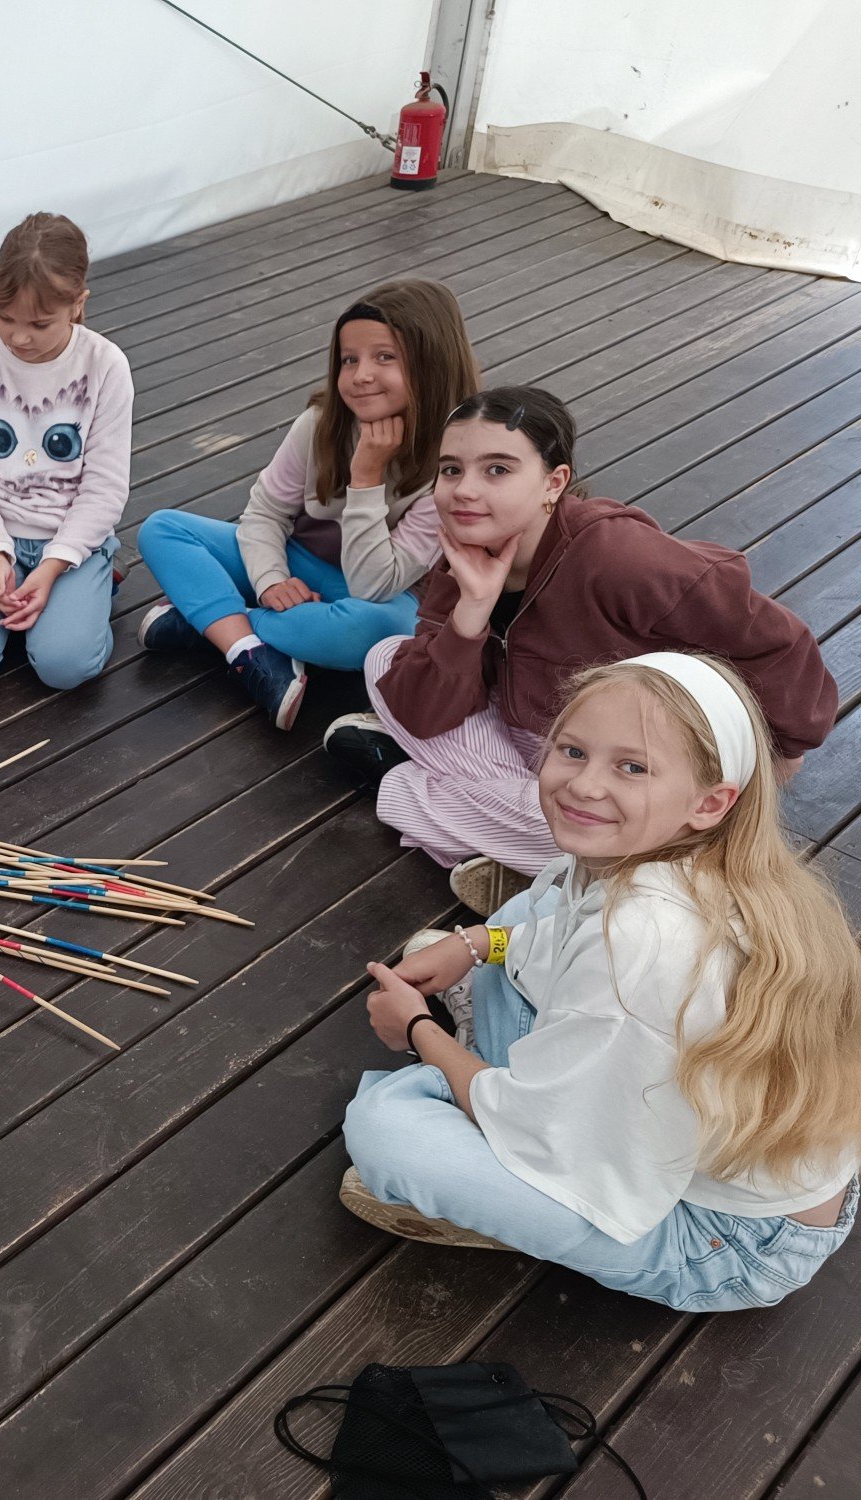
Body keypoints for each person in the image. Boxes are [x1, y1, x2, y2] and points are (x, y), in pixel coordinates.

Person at [340, 654, 860, 1310]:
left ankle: (493, 1174)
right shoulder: (699, 858)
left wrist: (417, 1029)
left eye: (632, 767)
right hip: (704, 1133)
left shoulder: (643, 945)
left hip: (725, 1241)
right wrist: (475, 944)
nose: (583, 785)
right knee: (539, 903)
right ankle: (494, 1038)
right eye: (573, 751)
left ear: (709, 802)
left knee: (387, 1132)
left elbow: (544, 1131)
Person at [325, 386, 835, 915]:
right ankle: (568, 859)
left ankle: (410, 791)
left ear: (554, 482)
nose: (464, 490)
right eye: (451, 470)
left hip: (634, 757)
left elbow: (780, 642)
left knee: (588, 810)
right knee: (386, 658)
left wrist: (778, 754)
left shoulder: (619, 558)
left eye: (497, 469)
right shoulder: (461, 557)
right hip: (545, 734)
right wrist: (472, 608)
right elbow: (422, 710)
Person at [137, 279, 479, 727]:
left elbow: (373, 587)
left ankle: (214, 622)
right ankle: (249, 649)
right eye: (349, 359)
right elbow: (265, 514)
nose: (361, 375)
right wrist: (272, 581)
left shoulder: (453, 464)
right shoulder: (320, 425)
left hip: (376, 594)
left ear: (432, 363)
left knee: (386, 632)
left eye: (385, 357)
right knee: (162, 529)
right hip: (297, 560)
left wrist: (366, 477)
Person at [0, 212, 133, 691]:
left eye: (40, 324)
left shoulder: (106, 365)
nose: (19, 337)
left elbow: (104, 488)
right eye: (5, 318)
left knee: (65, 667)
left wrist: (55, 564)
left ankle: (94, 580)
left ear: (78, 304)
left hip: (70, 537)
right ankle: (46, 602)